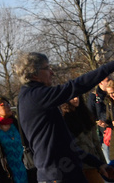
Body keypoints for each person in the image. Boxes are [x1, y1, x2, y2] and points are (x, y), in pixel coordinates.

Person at [16, 51, 114, 183]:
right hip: (57, 175)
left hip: (63, 173)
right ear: (34, 73)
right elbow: (75, 86)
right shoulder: (36, 96)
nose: (52, 72)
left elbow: (64, 144)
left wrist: (97, 163)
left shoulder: (33, 96)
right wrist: (109, 67)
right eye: (47, 68)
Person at [62, 95, 105, 183]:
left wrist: (102, 162)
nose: (76, 99)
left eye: (77, 96)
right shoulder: (64, 118)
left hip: (93, 162)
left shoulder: (86, 115)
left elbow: (96, 142)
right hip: (77, 164)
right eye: (72, 97)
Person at [89, 76, 114, 164]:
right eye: (107, 80)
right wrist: (100, 122)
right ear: (100, 82)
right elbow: (91, 114)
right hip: (105, 134)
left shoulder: (110, 98)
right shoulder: (94, 96)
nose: (109, 81)